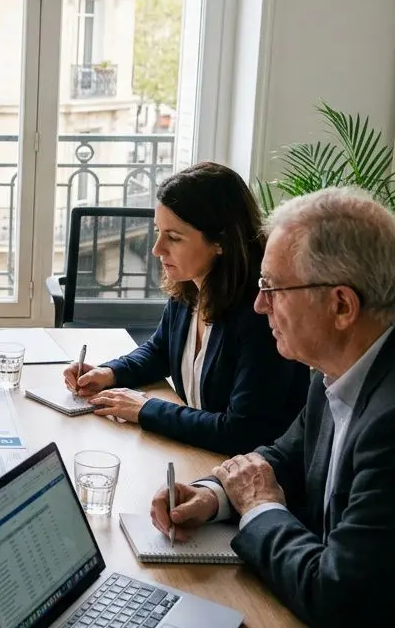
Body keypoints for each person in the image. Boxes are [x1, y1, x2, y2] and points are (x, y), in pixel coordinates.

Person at [150, 187, 395, 628]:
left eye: (272, 288)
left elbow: (341, 601)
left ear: (341, 306)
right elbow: (289, 453)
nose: (259, 305)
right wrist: (215, 495)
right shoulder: (352, 355)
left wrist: (258, 506)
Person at [64, 162, 309, 454]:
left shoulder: (261, 314)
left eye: (174, 237)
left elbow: (241, 432)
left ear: (220, 242)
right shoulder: (190, 287)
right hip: (200, 453)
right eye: (158, 231)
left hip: (246, 466)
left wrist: (145, 408)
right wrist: (109, 373)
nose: (156, 249)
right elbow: (160, 351)